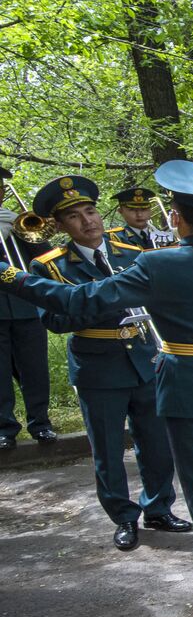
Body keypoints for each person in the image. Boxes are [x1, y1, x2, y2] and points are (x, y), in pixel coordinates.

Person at [0, 161, 193, 603]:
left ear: (176, 218)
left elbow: (75, 299)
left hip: (187, 388)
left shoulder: (156, 264)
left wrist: (8, 274)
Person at [24, 175, 190, 551]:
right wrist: (107, 301)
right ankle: (123, 515)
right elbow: (55, 321)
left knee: (157, 443)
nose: (87, 221)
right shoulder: (50, 267)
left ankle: (158, 507)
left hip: (145, 359)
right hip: (98, 366)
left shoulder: (132, 253)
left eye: (90, 211)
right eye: (74, 216)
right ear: (60, 226)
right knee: (108, 449)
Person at [0, 166, 57, 450]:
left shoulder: (17, 222)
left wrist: (30, 231)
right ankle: (4, 428)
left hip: (26, 306)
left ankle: (41, 424)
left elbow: (44, 258)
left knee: (35, 369)